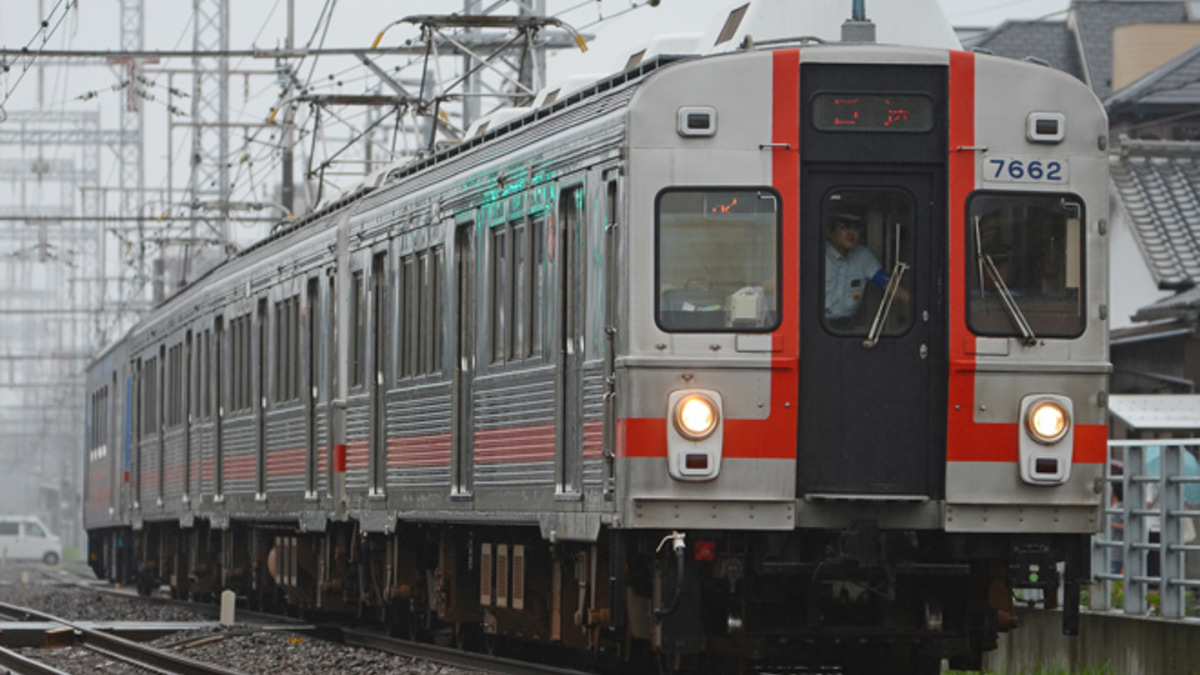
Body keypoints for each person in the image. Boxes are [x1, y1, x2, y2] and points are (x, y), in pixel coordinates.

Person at [824, 212, 907, 328]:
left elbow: (888, 284)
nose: (851, 233)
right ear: (829, 232)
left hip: (847, 327)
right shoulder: (817, 255)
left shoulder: (862, 256)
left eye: (856, 228)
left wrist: (914, 304)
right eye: (844, 227)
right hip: (819, 324)